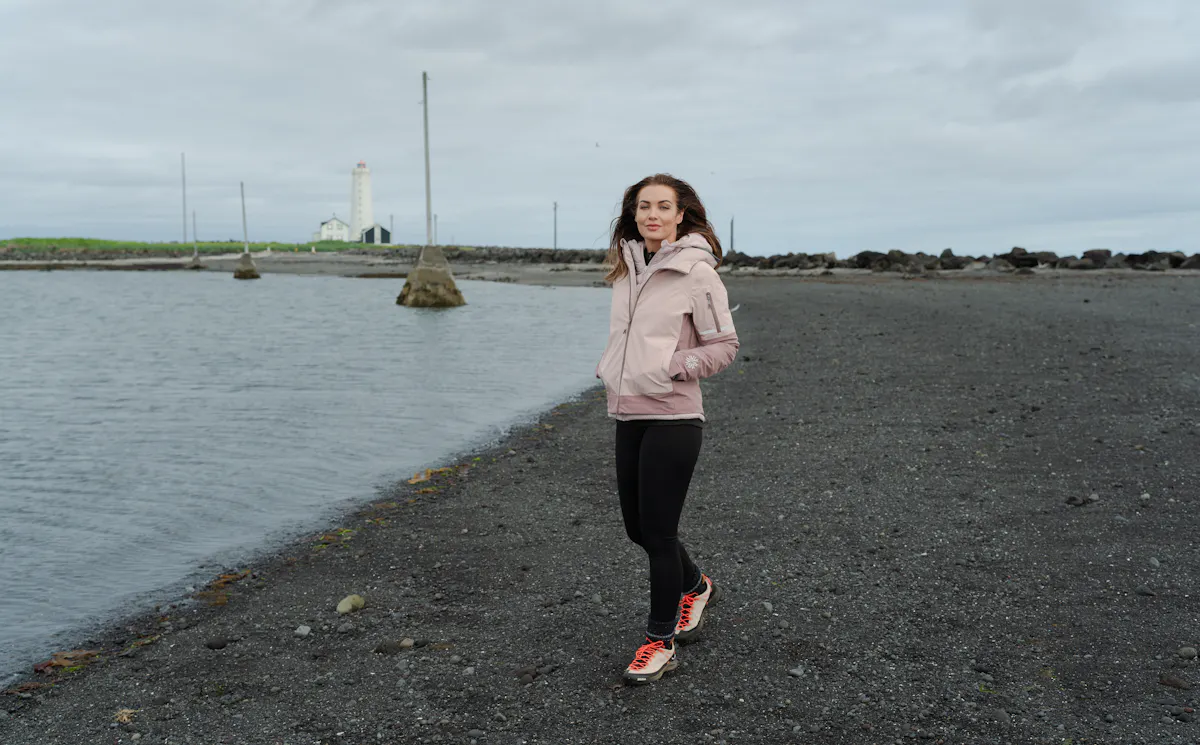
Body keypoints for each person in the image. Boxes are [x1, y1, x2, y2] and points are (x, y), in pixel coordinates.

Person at [594, 173, 740, 684]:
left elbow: (725, 345)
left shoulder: (697, 272)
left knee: (658, 533)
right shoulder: (625, 268)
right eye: (643, 206)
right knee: (637, 529)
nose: (652, 214)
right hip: (627, 411)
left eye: (663, 206)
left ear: (682, 215)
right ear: (633, 215)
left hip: (674, 415)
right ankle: (696, 586)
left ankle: (659, 642)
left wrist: (674, 367)